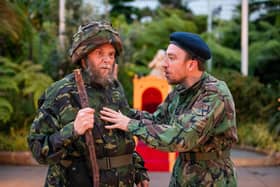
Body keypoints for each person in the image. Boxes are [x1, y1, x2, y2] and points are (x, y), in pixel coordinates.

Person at [100, 32, 238, 186]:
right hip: (182, 175)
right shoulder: (180, 91)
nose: (163, 64)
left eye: (171, 58)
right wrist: (119, 109)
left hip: (212, 178)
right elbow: (157, 120)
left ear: (191, 64)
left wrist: (129, 124)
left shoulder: (214, 93)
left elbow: (182, 137)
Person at [27, 21, 149, 187]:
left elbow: (123, 140)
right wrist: (73, 130)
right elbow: (38, 149)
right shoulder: (61, 92)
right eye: (100, 53)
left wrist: (139, 171)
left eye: (111, 54)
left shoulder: (114, 89)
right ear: (83, 58)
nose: (107, 60)